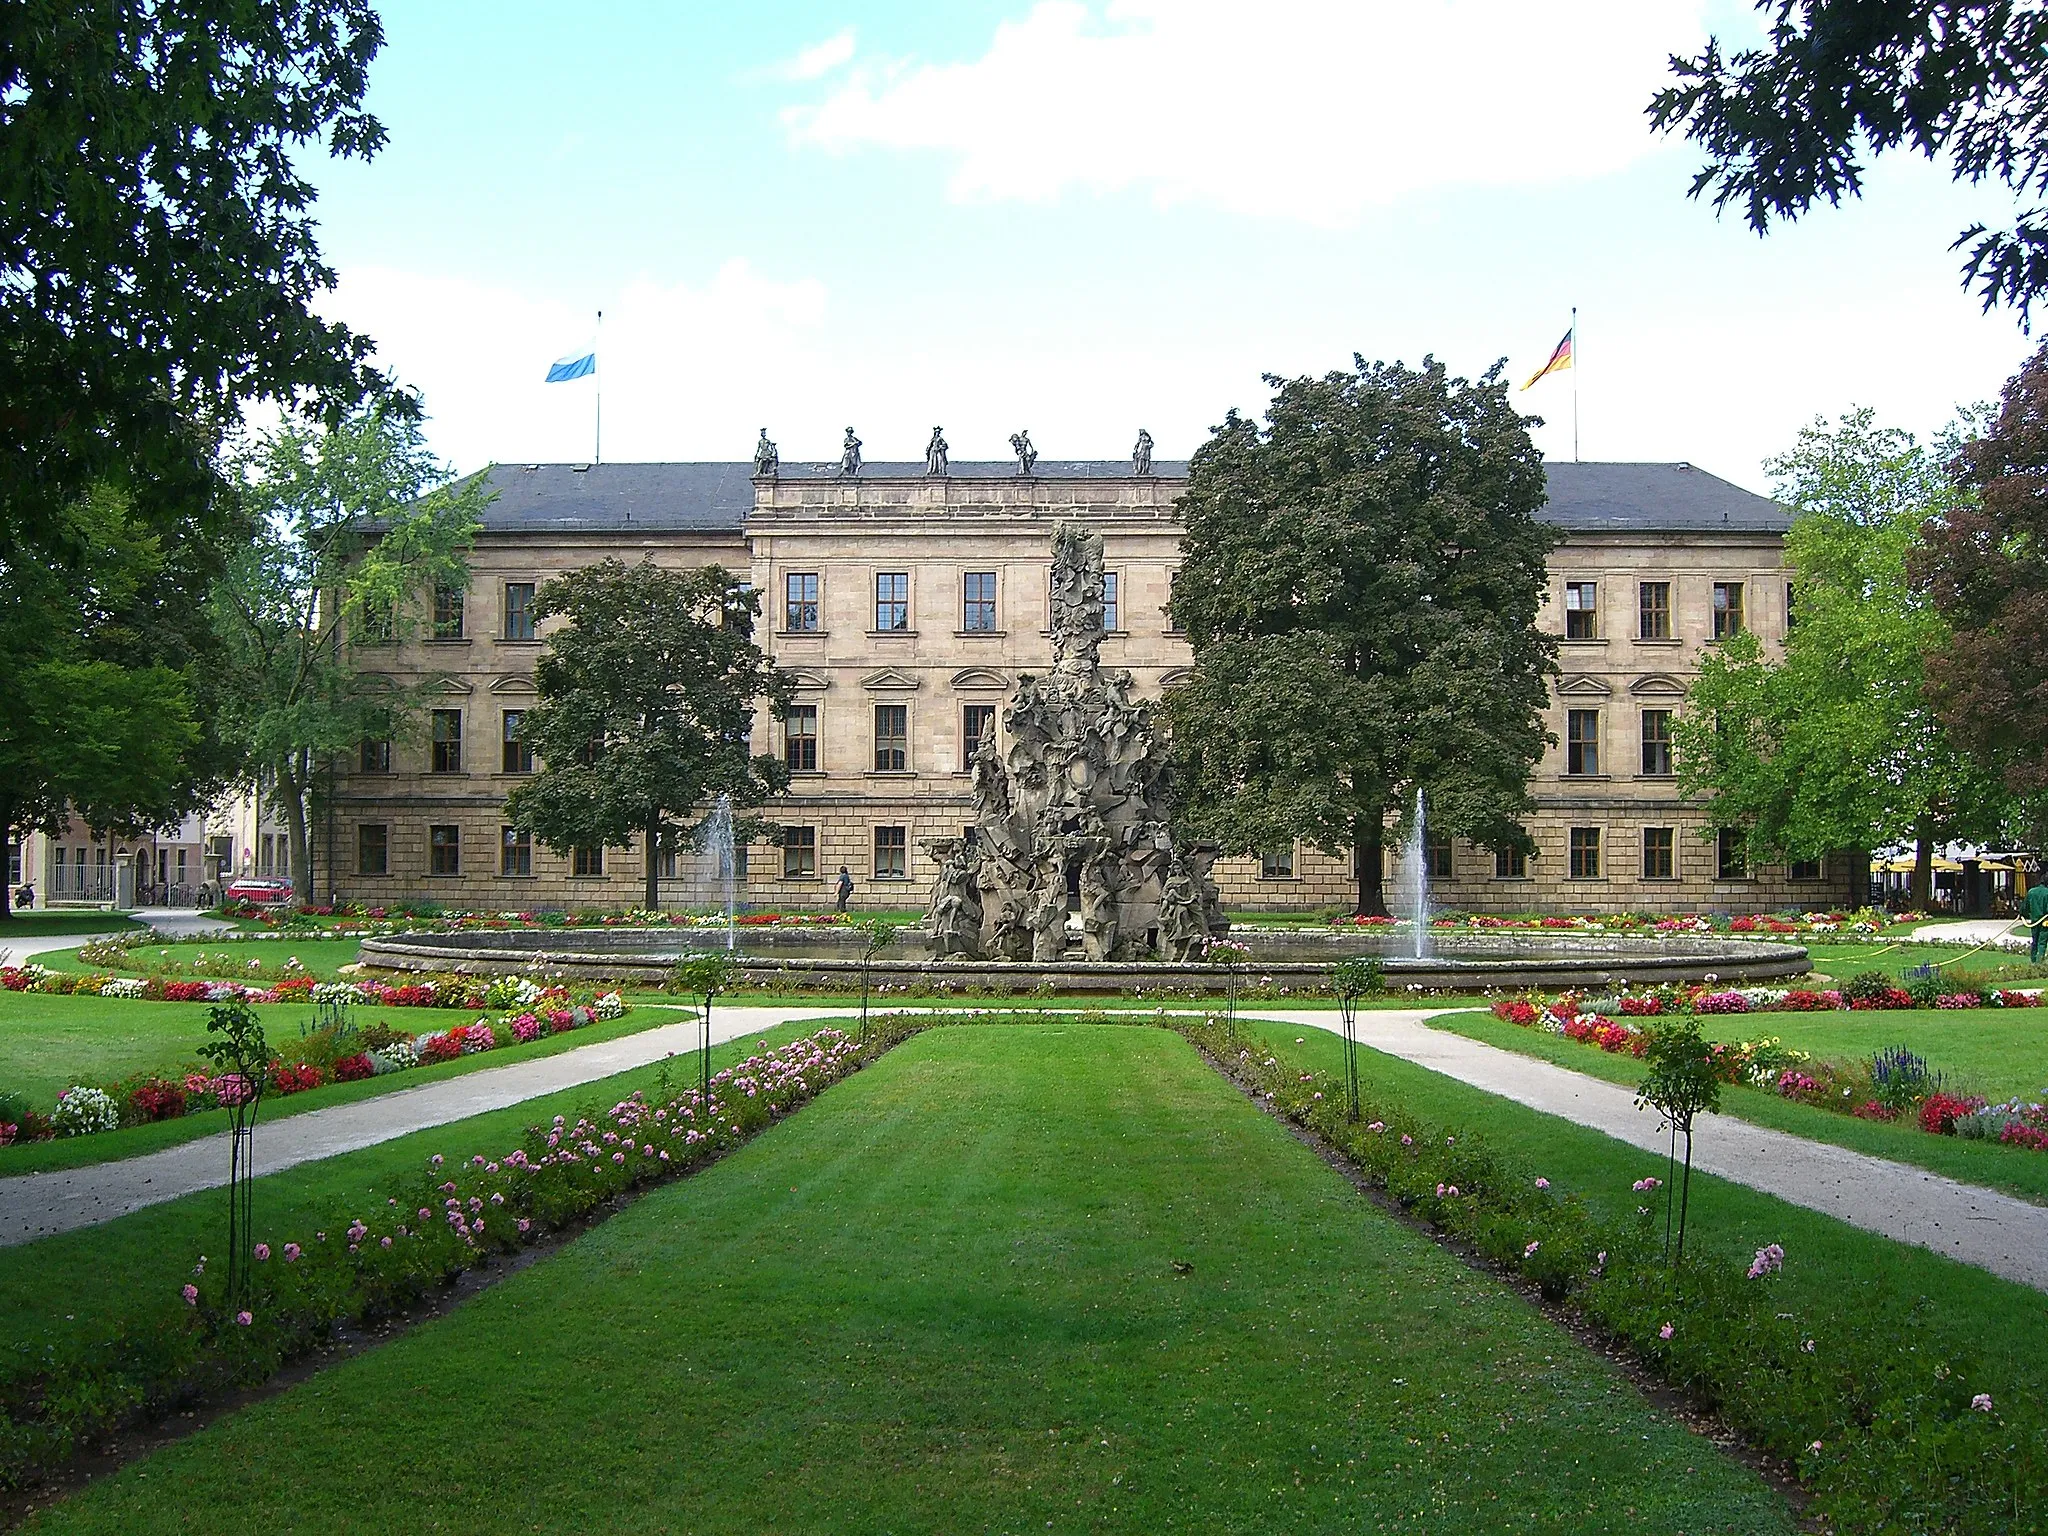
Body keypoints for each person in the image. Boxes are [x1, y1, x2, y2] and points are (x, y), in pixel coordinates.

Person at [2025, 874, 2048, 964]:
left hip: (2034, 921)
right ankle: (2039, 963)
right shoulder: (2047, 892)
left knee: (2035, 941)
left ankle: (2033, 961)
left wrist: (2023, 914)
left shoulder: (2031, 892)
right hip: (2045, 921)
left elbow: (2025, 907)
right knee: (2042, 942)